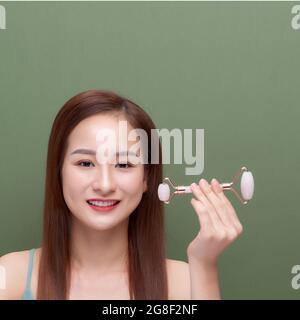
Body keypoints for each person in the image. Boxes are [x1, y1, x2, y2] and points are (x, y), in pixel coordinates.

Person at [0, 90, 243, 300]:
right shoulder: (9, 276)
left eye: (124, 165)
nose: (104, 184)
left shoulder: (184, 282)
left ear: (147, 178)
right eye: (85, 163)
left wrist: (204, 263)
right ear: (58, 171)